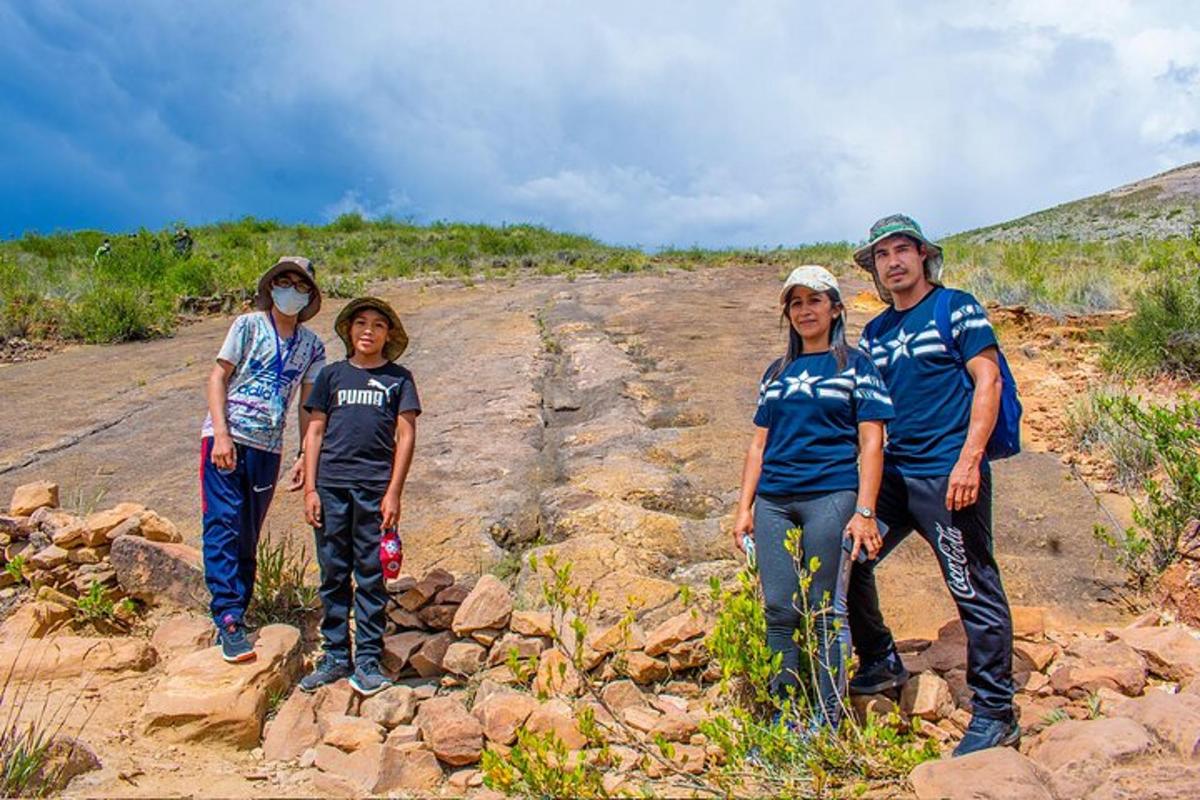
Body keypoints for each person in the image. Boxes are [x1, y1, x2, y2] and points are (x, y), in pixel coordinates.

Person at [847, 214, 1019, 756]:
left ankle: (995, 711)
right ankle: (879, 660)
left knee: (971, 585)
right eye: (882, 255)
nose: (893, 261)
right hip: (896, 475)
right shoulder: (875, 333)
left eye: (902, 250)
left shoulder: (955, 306)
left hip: (949, 476)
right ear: (874, 267)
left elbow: (987, 379)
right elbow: (868, 417)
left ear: (923, 256)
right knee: (847, 558)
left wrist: (970, 461)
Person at [732, 265, 894, 731]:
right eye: (796, 302)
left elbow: (871, 443)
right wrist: (744, 508)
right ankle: (784, 719)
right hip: (775, 502)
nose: (805, 310)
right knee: (779, 610)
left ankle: (827, 721)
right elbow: (758, 444)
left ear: (836, 308)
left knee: (826, 612)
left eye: (815, 300)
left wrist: (865, 510)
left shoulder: (856, 366)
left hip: (832, 494)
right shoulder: (777, 372)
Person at [201, 257, 325, 662]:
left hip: (267, 447)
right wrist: (221, 433)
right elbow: (219, 376)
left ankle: (241, 606)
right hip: (229, 437)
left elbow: (309, 404)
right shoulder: (248, 326)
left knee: (248, 528)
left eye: (300, 285)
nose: (291, 290)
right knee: (222, 521)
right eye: (284, 282)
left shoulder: (312, 345)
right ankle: (229, 617)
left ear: (309, 295)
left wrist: (305, 454)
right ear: (271, 287)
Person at [298, 297, 420, 696]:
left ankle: (367, 658)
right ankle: (335, 655)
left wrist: (394, 493)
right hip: (331, 486)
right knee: (333, 571)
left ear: (389, 334)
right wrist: (311, 488)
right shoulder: (331, 376)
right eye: (361, 323)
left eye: (378, 325)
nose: (368, 330)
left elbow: (405, 436)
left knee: (370, 573)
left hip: (374, 489)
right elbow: (314, 432)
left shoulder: (399, 379)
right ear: (349, 330)